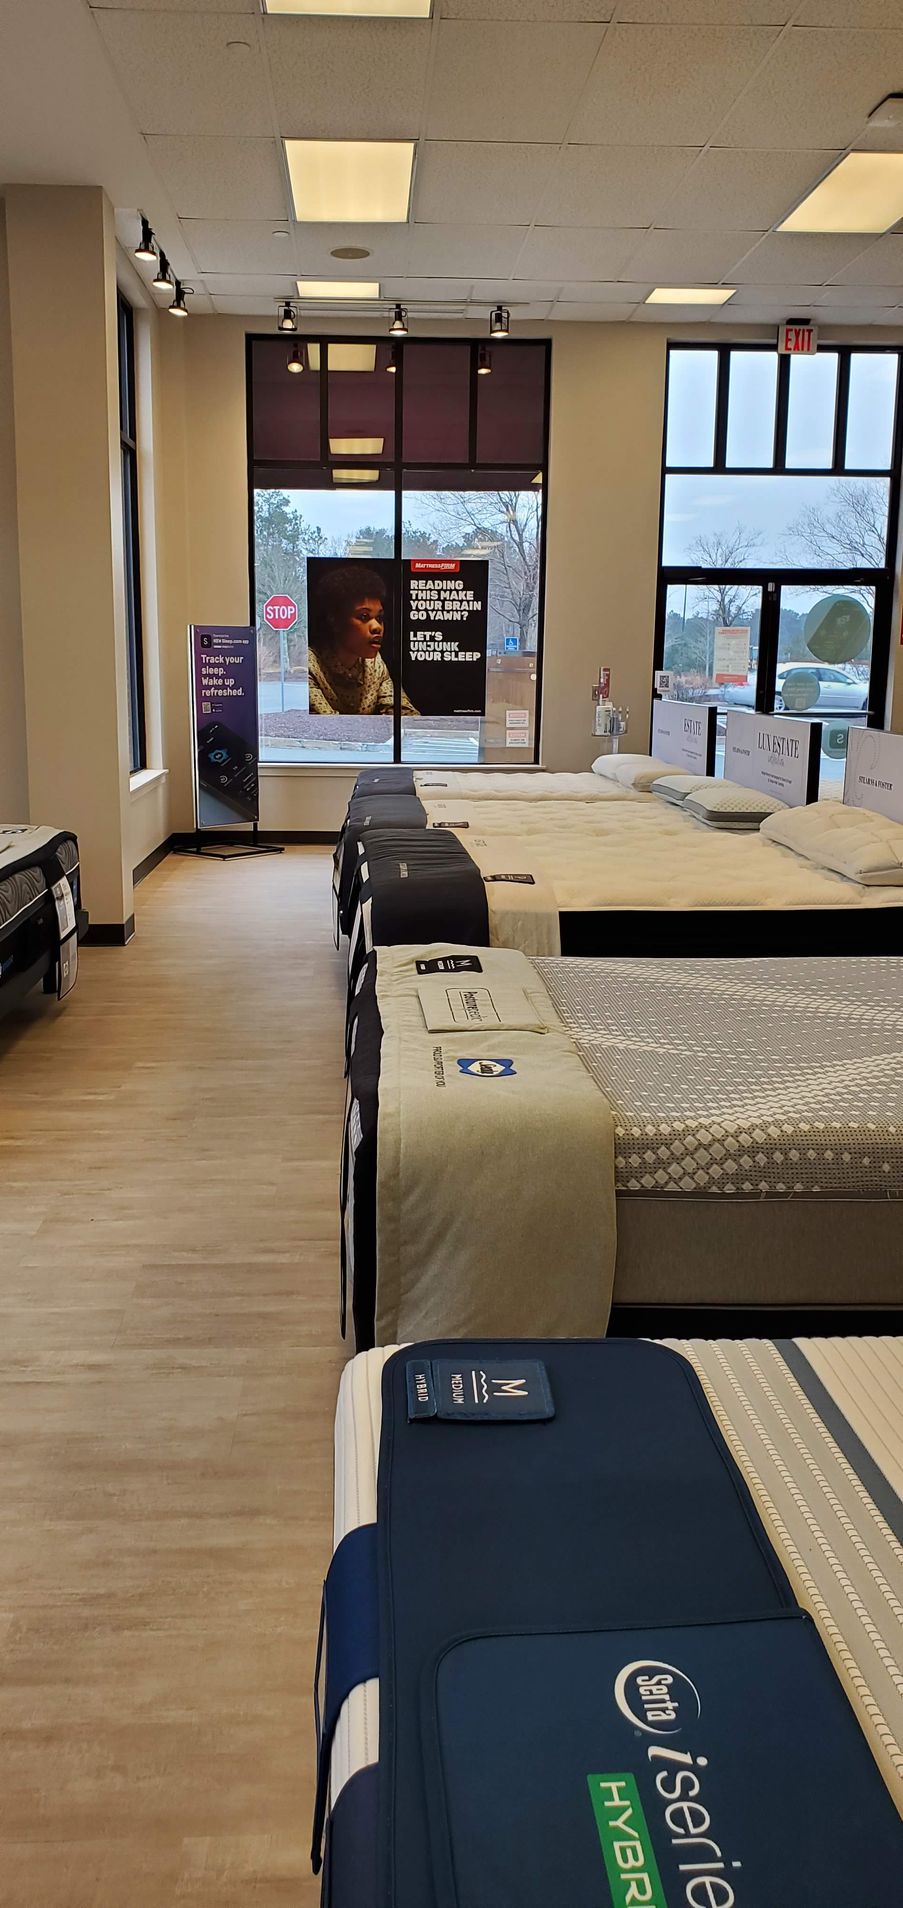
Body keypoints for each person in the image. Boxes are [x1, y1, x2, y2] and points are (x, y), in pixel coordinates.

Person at [308, 565, 417, 717]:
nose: (377, 627)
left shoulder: (374, 665)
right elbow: (329, 726)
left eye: (379, 618)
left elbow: (404, 713)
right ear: (335, 621)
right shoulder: (310, 666)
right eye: (364, 617)